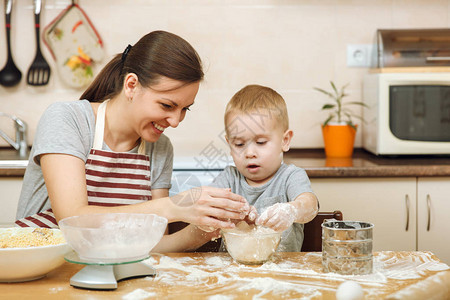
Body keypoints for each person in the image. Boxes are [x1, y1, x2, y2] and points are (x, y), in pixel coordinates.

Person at [15, 30, 250, 252]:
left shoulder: (160, 148)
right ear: (131, 86)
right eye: (167, 105)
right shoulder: (68, 120)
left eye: (184, 109)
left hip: (107, 268)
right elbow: (71, 218)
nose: (176, 121)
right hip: (39, 266)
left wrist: (204, 229)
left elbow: (155, 244)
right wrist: (174, 206)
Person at [210, 84, 319, 251]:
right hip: (232, 271)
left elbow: (310, 206)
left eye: (260, 142)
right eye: (239, 144)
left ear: (285, 140)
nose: (250, 153)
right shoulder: (228, 178)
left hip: (280, 270)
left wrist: (291, 210)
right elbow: (204, 209)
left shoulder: (291, 176)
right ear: (229, 144)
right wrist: (226, 214)